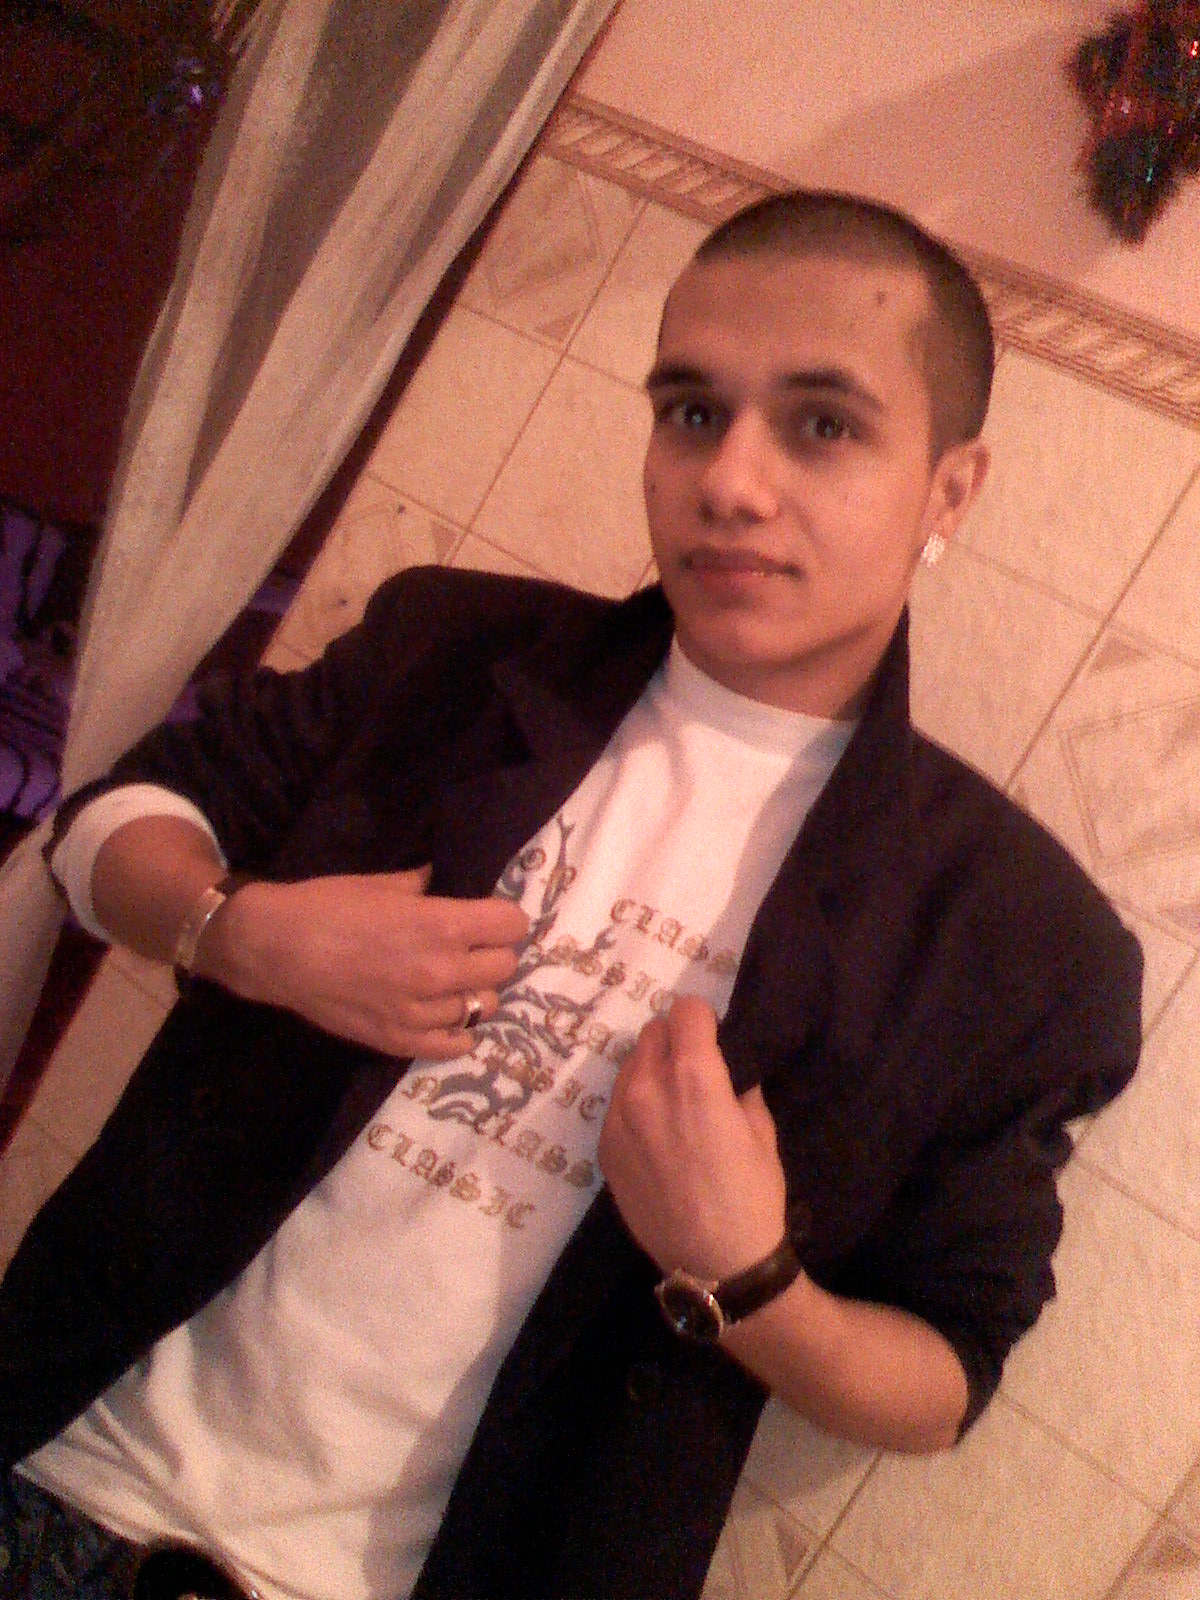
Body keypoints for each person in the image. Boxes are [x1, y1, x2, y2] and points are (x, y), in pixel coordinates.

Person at [0, 189, 1142, 1600]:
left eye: (823, 425)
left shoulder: (1014, 939)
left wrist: (748, 1280)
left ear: (949, 490)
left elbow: (950, 1370)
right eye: (692, 412)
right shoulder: (451, 650)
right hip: (59, 1460)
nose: (730, 482)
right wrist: (239, 933)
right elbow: (107, 822)